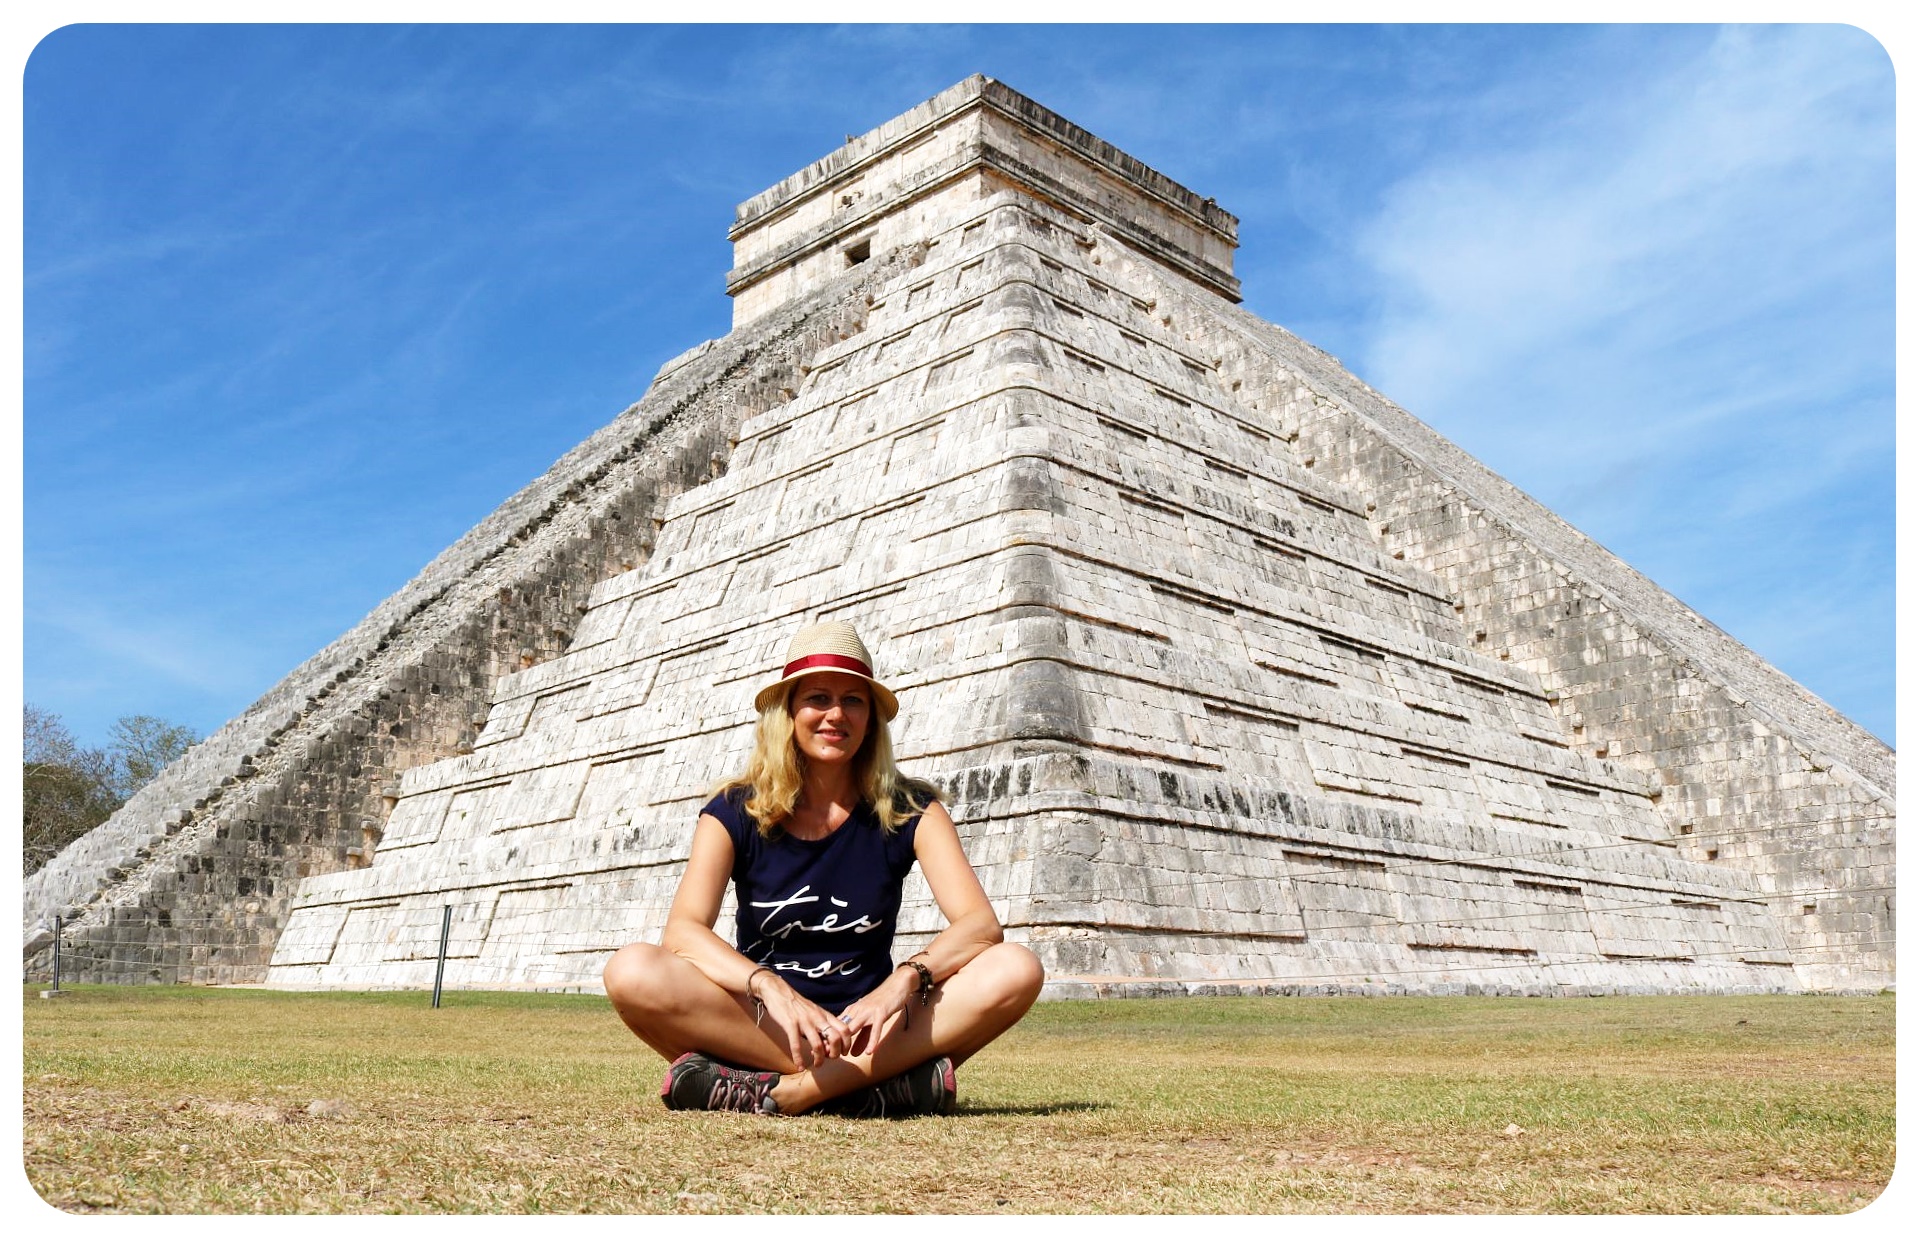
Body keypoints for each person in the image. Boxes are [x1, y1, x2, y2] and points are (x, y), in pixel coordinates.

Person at [602, 620, 1045, 1116]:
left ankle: (791, 1094)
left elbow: (980, 927)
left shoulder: (911, 810)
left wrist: (902, 982)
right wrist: (769, 986)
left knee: (1016, 968)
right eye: (818, 697)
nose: (836, 715)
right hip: (769, 1022)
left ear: (871, 718)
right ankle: (871, 1091)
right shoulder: (734, 810)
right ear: (788, 713)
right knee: (632, 969)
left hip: (871, 1029)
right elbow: (683, 934)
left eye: (854, 700)